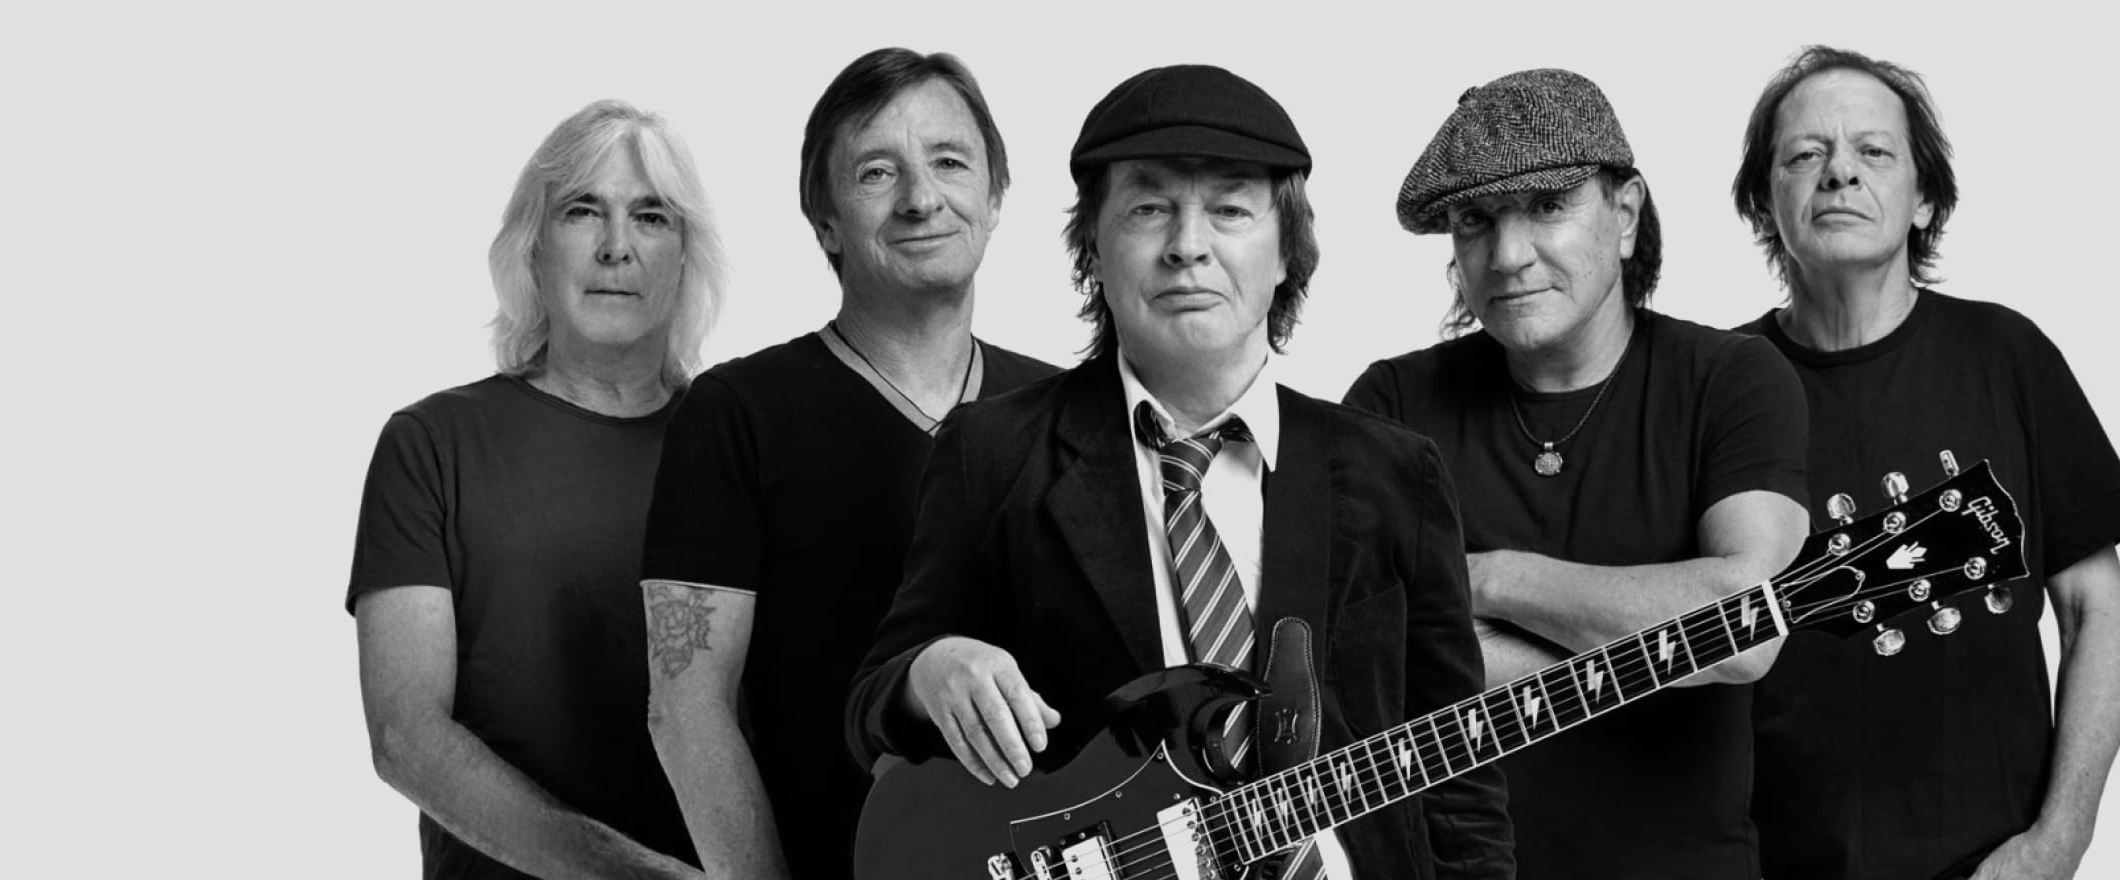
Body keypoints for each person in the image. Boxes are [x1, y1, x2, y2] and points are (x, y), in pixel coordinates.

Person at [845, 64, 1513, 880]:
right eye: (1149, 208)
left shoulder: (1396, 472)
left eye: (1229, 210)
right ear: (1094, 248)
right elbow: (870, 708)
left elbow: (1461, 785)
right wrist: (929, 671)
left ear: (1286, 251)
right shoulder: (992, 451)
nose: (1187, 246)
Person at [1343, 68, 1810, 880]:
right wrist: (1652, 641)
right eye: (1475, 220)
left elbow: (1743, 629)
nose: (1508, 255)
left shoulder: (1731, 380)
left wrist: (1482, 581)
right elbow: (1358, 665)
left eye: (1548, 207)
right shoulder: (1392, 403)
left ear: (1625, 215)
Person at [1729, 45, 2120, 880]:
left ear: (1924, 200)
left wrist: (2057, 843)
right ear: (1763, 203)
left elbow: (2098, 614)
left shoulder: (2007, 355)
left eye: (1874, 151)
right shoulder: (1718, 386)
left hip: (1988, 863)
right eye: (1805, 154)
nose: (1839, 173)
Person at [638, 48, 1057, 878]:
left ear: (995, 196)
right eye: (876, 173)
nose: (921, 198)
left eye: (950, 162)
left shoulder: (1066, 413)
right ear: (825, 222)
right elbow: (686, 711)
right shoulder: (737, 414)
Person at [347, 99, 724, 880]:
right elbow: (405, 736)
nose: (617, 246)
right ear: (532, 246)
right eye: (583, 211)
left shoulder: (744, 448)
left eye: (651, 217)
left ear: (686, 257)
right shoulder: (432, 445)